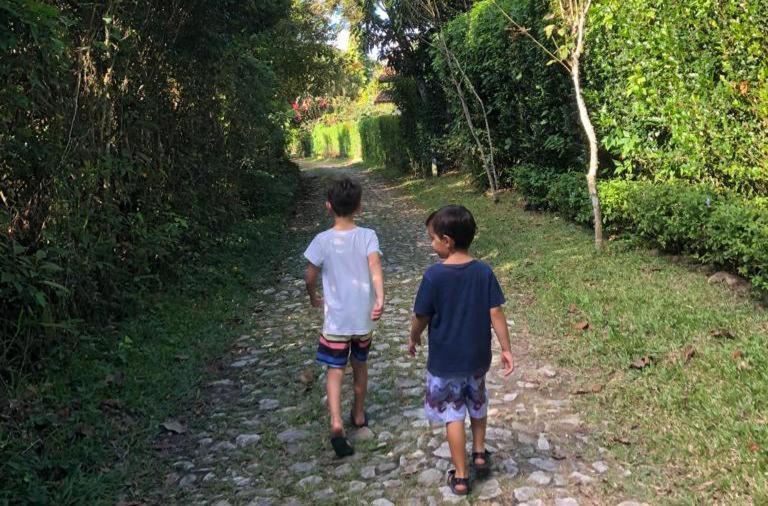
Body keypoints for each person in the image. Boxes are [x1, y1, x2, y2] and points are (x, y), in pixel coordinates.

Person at [409, 204, 514, 495]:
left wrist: (413, 337)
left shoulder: (434, 277)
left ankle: (462, 475)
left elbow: (421, 316)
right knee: (478, 403)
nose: (431, 245)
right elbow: (496, 313)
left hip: (446, 362)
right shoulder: (483, 271)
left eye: (432, 238)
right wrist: (506, 348)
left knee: (453, 414)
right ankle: (479, 452)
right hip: (477, 359)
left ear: (447, 241)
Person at [304, 177, 384, 457]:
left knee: (334, 370)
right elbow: (375, 266)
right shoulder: (368, 236)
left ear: (328, 207)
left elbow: (310, 274)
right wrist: (381, 297)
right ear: (359, 207)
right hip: (362, 318)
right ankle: (359, 414)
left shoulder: (322, 241)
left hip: (336, 322)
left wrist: (313, 295)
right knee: (360, 365)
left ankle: (337, 421)